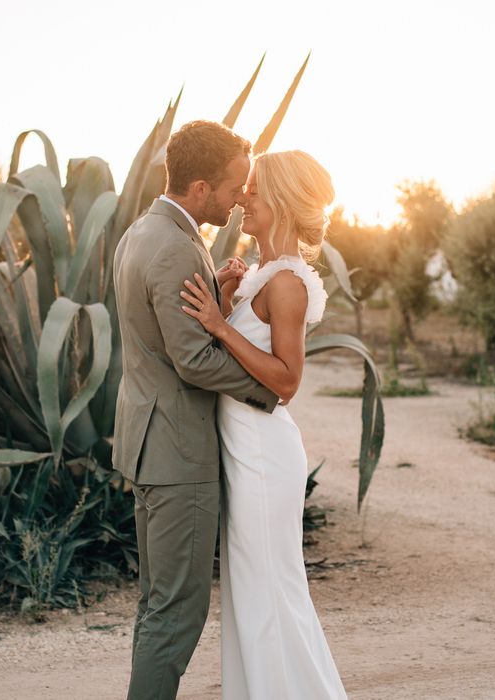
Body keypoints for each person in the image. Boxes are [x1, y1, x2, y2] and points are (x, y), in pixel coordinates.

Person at [112, 120, 278, 700]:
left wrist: (221, 297)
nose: (240, 198)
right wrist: (270, 390)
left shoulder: (140, 233)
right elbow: (192, 362)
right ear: (201, 186)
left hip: (148, 444)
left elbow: (165, 339)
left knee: (157, 605)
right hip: (180, 455)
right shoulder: (177, 247)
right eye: (234, 186)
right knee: (177, 614)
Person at [180, 150, 348, 699]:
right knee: (251, 593)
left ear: (278, 200)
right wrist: (226, 301)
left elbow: (286, 381)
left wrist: (220, 327)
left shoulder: (288, 283)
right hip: (242, 449)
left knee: (271, 592)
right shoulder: (257, 275)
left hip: (264, 454)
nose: (243, 199)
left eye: (253, 190)